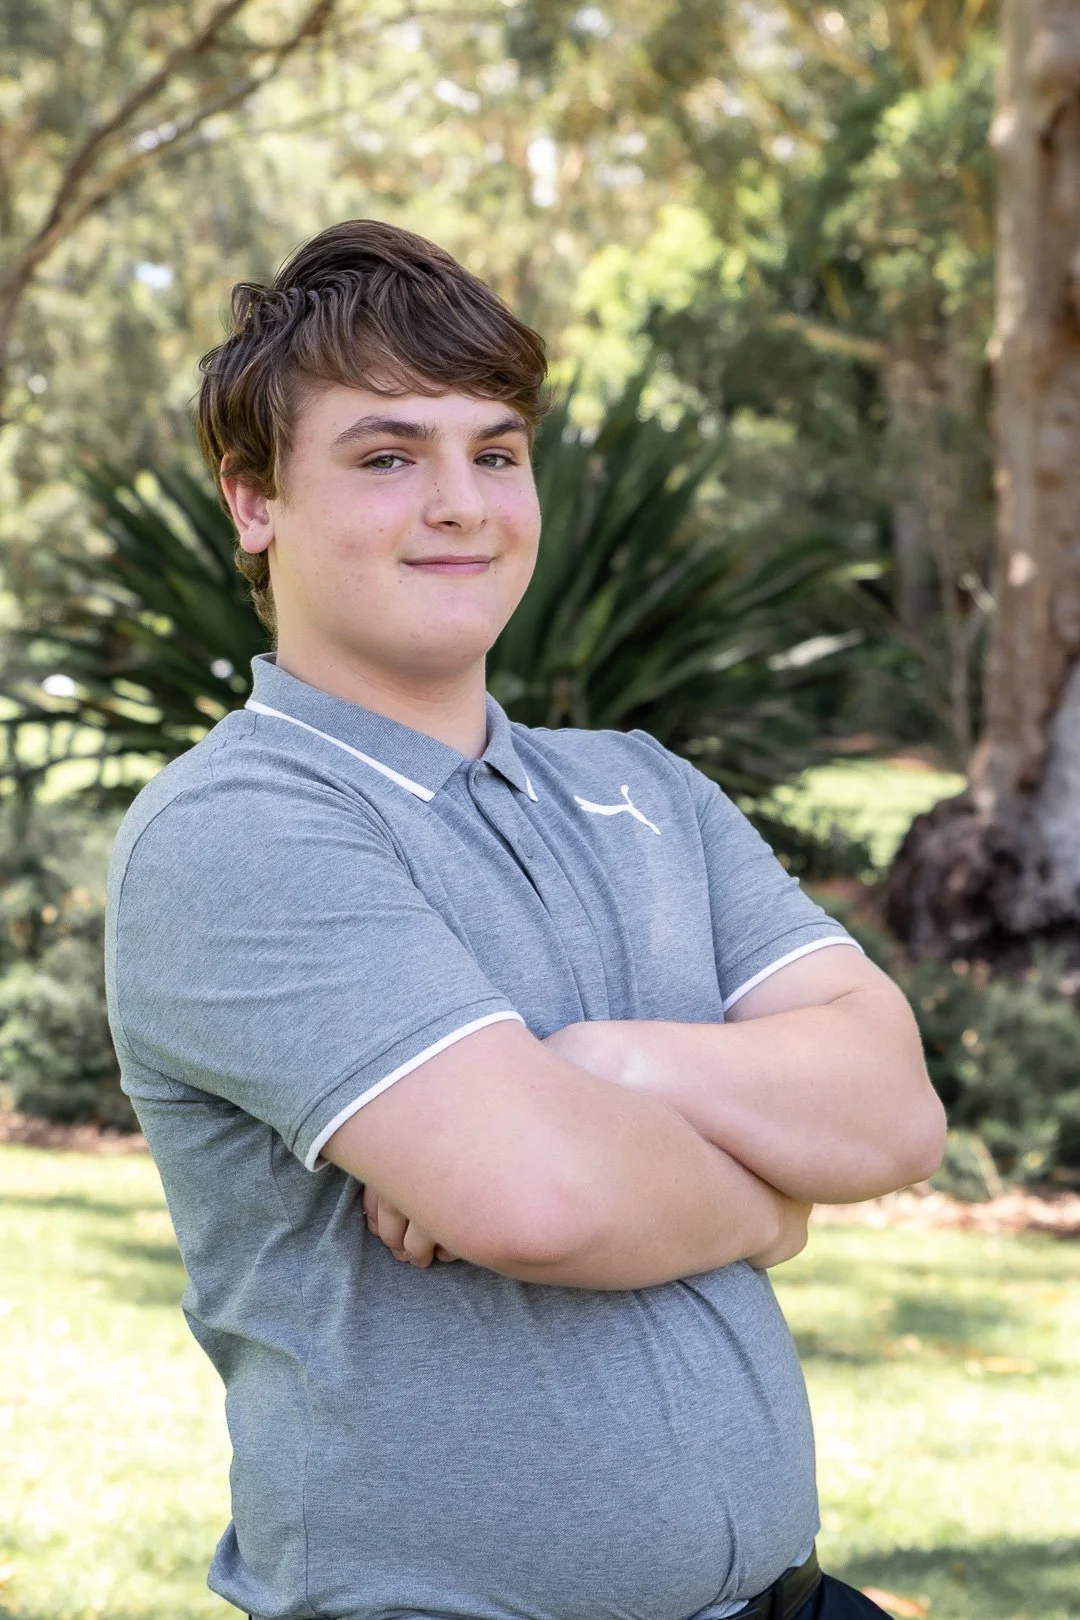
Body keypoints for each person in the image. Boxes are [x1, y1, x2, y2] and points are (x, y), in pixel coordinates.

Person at [104, 218, 946, 1620]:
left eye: (494, 450)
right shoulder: (238, 828)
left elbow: (895, 1109)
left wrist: (609, 1066)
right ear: (253, 501)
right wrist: (776, 1209)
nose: (462, 502)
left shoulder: (645, 787)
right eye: (388, 457)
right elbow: (538, 1199)